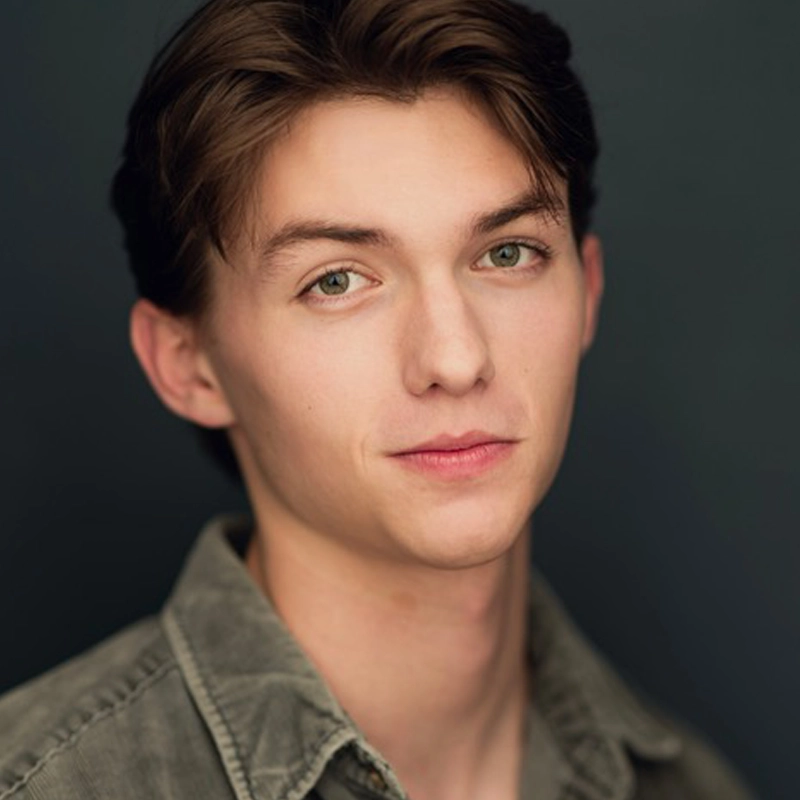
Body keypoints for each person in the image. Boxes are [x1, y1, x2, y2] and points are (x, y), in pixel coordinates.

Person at [0, 1, 756, 798]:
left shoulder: (691, 786)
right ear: (189, 366)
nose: (456, 358)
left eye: (508, 253)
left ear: (588, 290)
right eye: (336, 280)